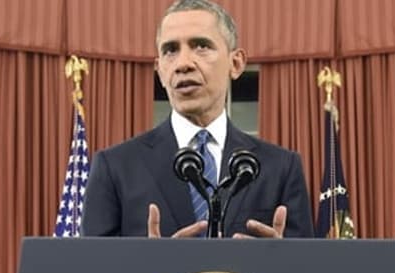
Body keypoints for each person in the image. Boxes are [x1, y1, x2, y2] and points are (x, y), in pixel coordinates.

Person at [81, 0, 313, 238]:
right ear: (160, 70)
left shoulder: (282, 168)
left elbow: (305, 272)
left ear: (236, 63)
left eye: (201, 46)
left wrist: (283, 260)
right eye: (170, 50)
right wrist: (148, 265)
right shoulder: (114, 167)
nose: (183, 64)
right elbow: (94, 271)